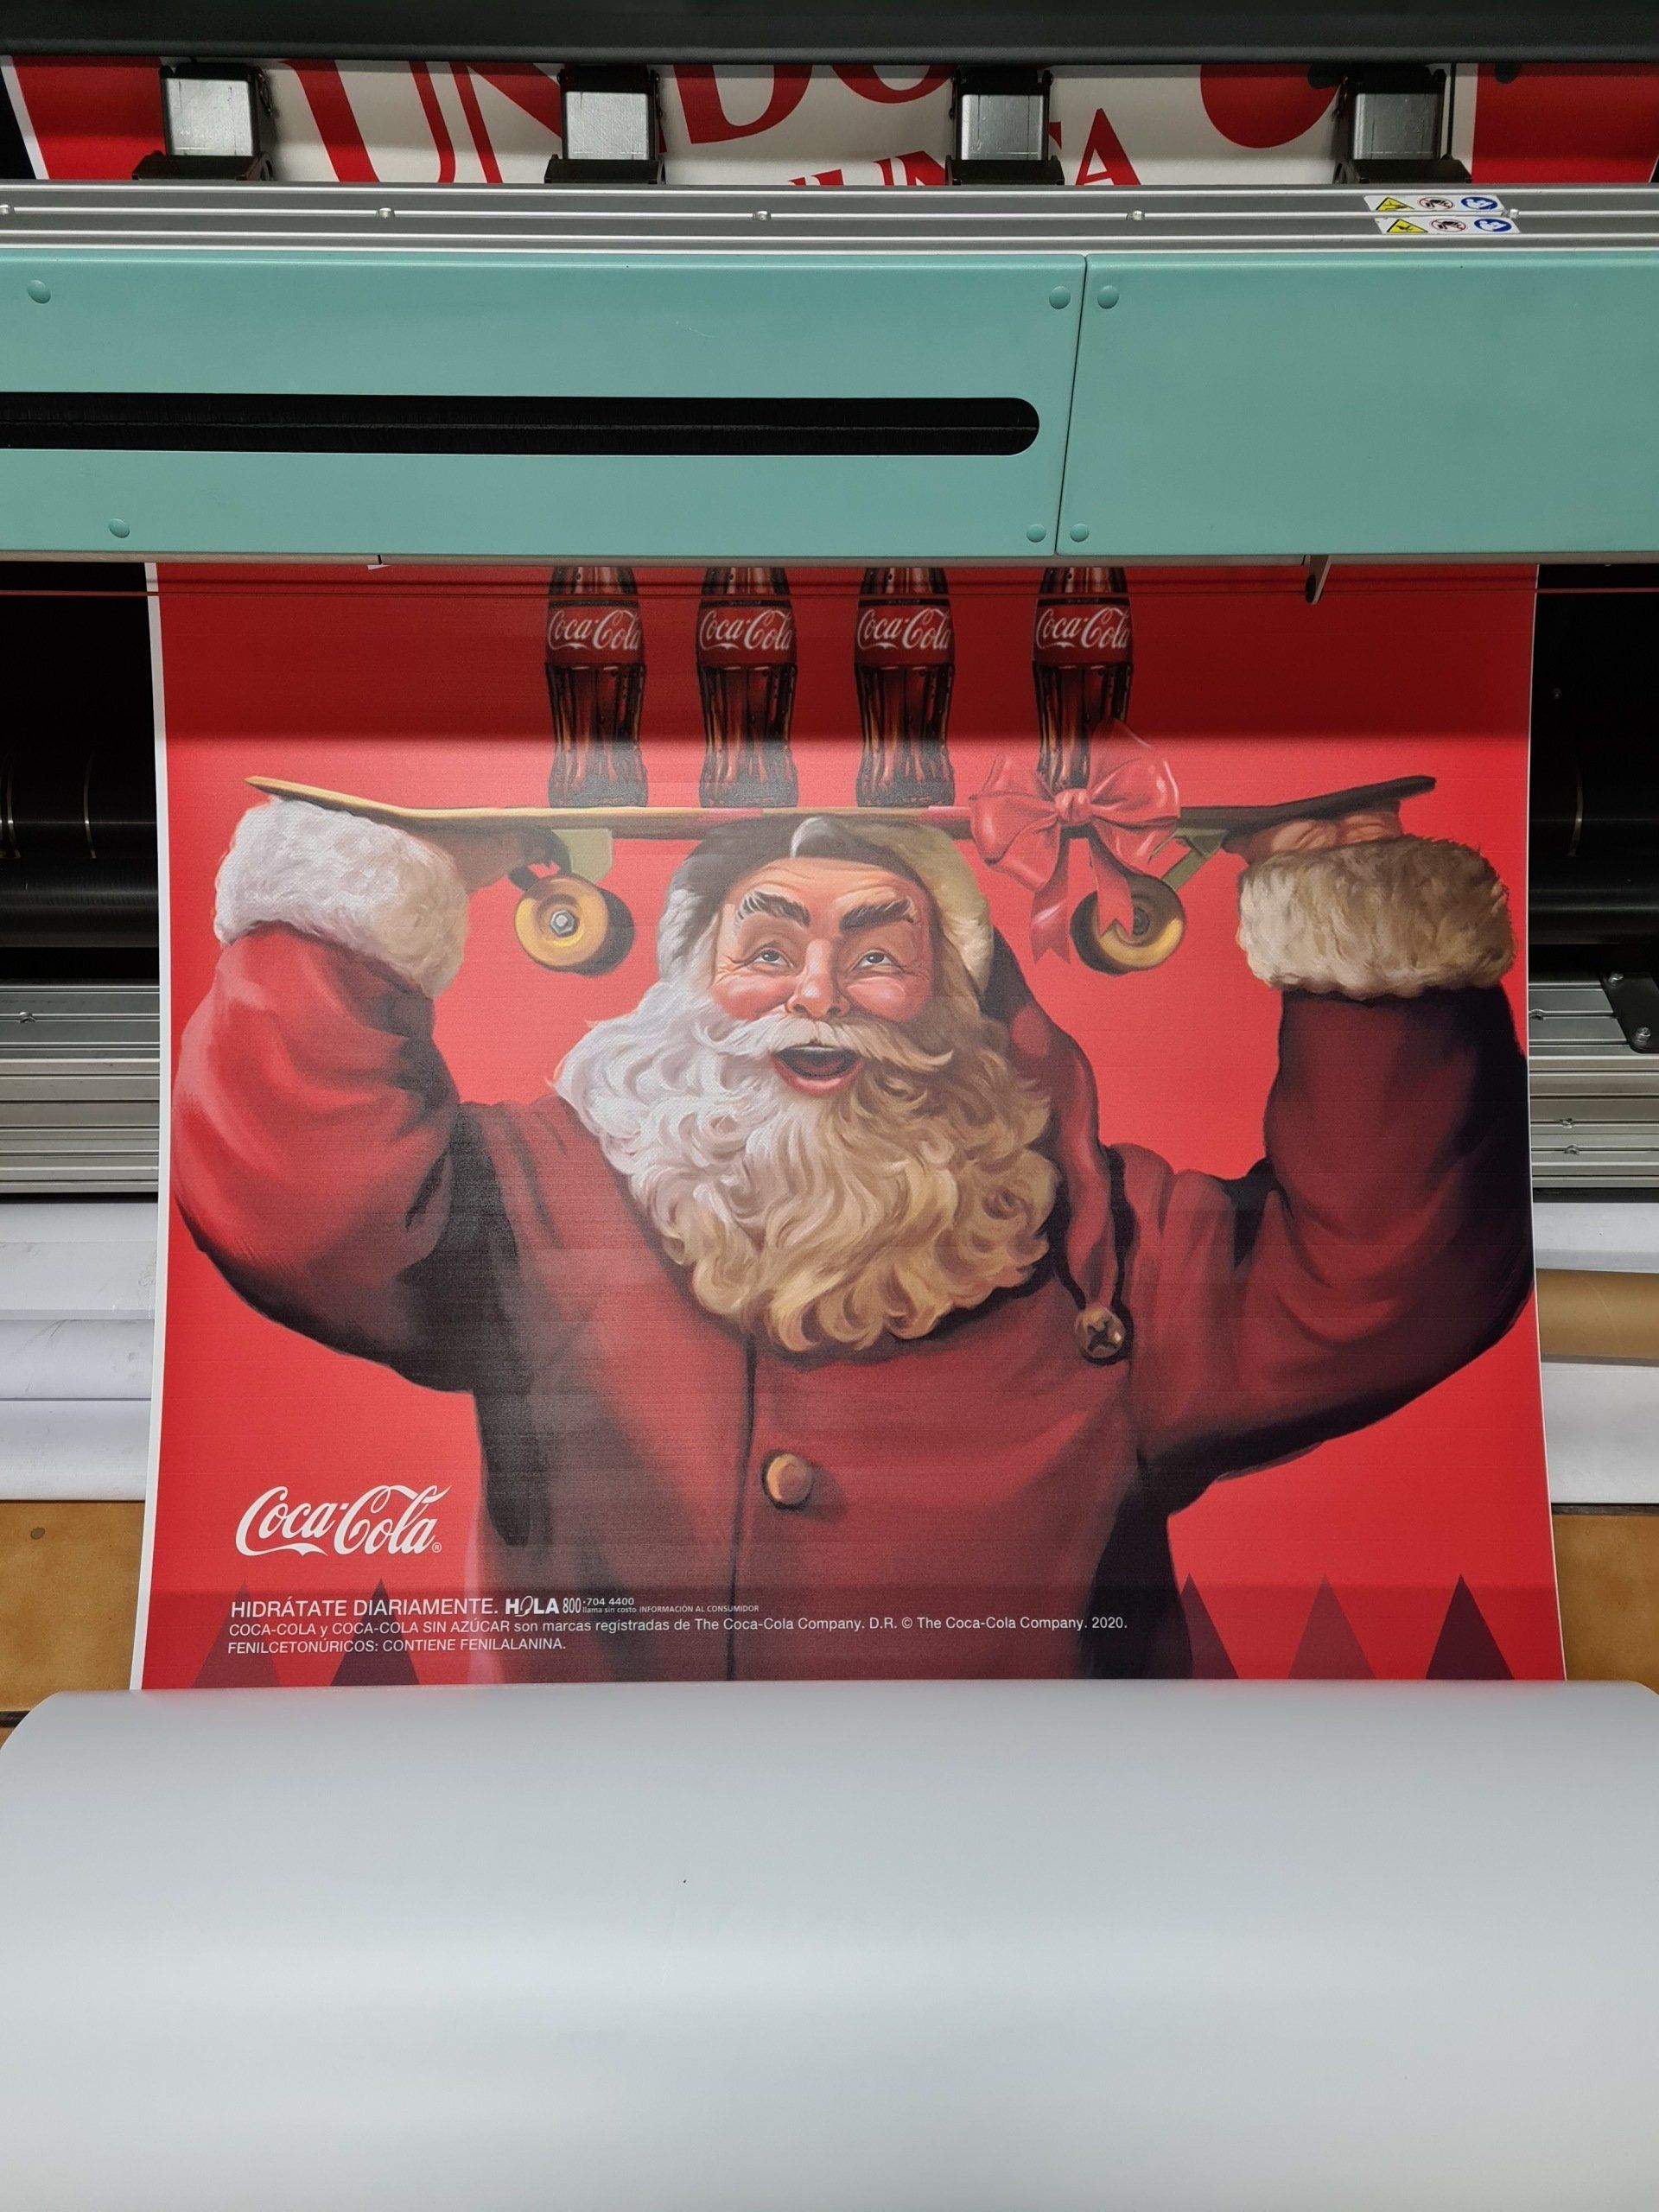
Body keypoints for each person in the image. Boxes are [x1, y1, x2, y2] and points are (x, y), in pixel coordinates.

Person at [174, 787, 1528, 1679]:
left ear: (955, 1006)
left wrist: (1354, 917)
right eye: (767, 950)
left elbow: (1382, 1274)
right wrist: (368, 897)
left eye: (879, 954)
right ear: (691, 987)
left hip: (1022, 1871)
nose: (816, 991)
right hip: (612, 1859)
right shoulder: (549, 1193)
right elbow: (311, 1201)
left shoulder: (1100, 1243)